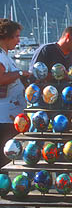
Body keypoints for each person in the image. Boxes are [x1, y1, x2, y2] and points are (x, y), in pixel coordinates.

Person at [0, 19, 30, 168]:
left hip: (11, 114)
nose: (19, 40)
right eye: (16, 36)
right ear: (6, 36)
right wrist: (19, 73)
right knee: (4, 155)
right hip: (4, 117)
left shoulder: (5, 55)